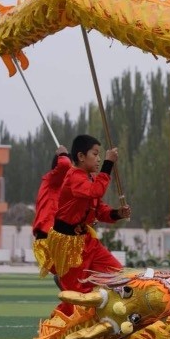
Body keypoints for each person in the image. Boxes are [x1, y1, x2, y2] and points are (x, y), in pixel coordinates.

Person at [47, 134, 131, 316]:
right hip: (68, 245)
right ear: (81, 156)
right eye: (95, 154)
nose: (100, 158)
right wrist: (109, 164)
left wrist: (117, 213)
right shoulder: (74, 177)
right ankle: (56, 329)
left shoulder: (89, 178)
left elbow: (99, 210)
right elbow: (96, 191)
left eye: (101, 155)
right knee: (76, 298)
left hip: (86, 241)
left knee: (118, 277)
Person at [32, 145, 71, 283]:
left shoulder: (62, 189)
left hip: (52, 237)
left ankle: (65, 282)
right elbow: (65, 165)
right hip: (48, 236)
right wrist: (64, 155)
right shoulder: (53, 180)